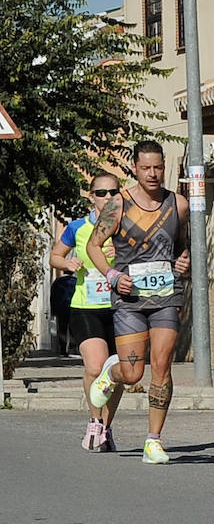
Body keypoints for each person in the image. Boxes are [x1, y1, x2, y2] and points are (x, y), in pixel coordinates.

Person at [85, 141, 191, 465]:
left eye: (158, 167)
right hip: (129, 298)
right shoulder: (118, 204)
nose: (153, 174)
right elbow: (93, 246)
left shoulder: (179, 204)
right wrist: (113, 275)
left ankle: (153, 441)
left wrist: (183, 261)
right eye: (146, 168)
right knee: (133, 374)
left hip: (164, 296)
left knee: (162, 366)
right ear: (135, 168)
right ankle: (109, 375)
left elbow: (182, 247)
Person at [48, 174, 127, 450]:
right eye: (101, 193)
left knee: (120, 373)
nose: (107, 198)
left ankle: (107, 427)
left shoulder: (127, 227)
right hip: (86, 306)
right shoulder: (78, 228)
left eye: (112, 192)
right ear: (91, 196)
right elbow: (55, 256)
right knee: (95, 367)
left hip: (121, 309)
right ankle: (94, 421)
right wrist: (68, 264)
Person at [49, 270, 77, 357]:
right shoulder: (75, 281)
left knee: (62, 330)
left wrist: (53, 310)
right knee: (73, 329)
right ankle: (72, 350)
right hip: (73, 308)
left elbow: (53, 296)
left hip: (61, 308)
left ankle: (62, 350)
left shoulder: (57, 282)